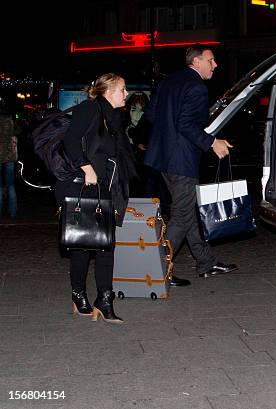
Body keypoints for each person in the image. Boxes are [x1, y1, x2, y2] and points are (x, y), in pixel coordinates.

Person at [144, 43, 237, 286]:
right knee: (183, 214)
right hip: (181, 159)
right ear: (196, 62)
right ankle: (158, 268)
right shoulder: (196, 86)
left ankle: (205, 262)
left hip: (162, 157)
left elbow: (152, 115)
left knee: (187, 210)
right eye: (211, 60)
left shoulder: (168, 81)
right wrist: (211, 143)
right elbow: (186, 124)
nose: (215, 65)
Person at [55, 73, 137, 323]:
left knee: (106, 244)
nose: (126, 94)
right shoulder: (89, 109)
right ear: (108, 91)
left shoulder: (114, 118)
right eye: (123, 89)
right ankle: (78, 295)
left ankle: (105, 298)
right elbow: (69, 141)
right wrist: (86, 167)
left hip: (106, 187)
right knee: (82, 244)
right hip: (81, 186)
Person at [0, 106, 19, 220]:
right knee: (11, 185)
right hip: (10, 155)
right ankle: (12, 211)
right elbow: (19, 131)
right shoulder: (10, 120)